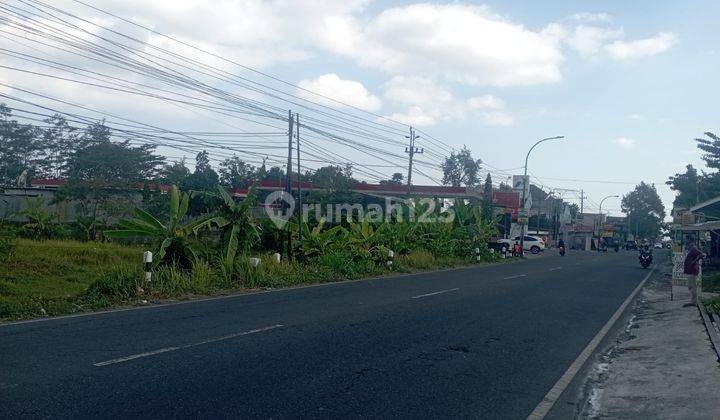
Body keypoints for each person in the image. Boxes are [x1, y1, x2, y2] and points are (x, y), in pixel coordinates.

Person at [683, 238, 704, 306]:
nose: (686, 241)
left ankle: (693, 302)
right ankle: (693, 301)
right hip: (690, 269)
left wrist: (694, 261)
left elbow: (702, 254)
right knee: (691, 286)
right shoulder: (691, 249)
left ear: (691, 241)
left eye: (687, 240)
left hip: (692, 269)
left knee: (692, 286)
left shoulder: (693, 248)